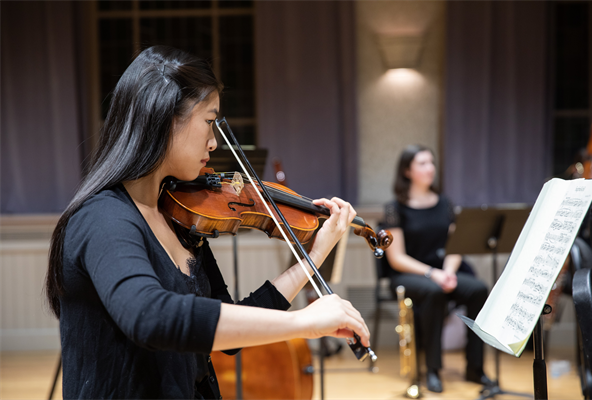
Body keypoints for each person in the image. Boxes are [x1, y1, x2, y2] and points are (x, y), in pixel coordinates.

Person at [44, 45, 369, 400]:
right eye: (209, 121)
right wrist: (303, 323)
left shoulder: (179, 220)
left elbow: (227, 328)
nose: (214, 142)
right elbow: (151, 317)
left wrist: (311, 259)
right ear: (165, 118)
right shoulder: (103, 219)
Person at [382, 145, 490, 393]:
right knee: (434, 292)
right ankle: (432, 369)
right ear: (407, 171)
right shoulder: (393, 208)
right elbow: (396, 258)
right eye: (422, 163)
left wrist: (449, 272)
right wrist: (434, 274)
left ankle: (475, 368)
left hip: (443, 272)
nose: (430, 168)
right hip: (407, 275)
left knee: (478, 289)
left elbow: (455, 245)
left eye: (431, 162)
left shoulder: (445, 203)